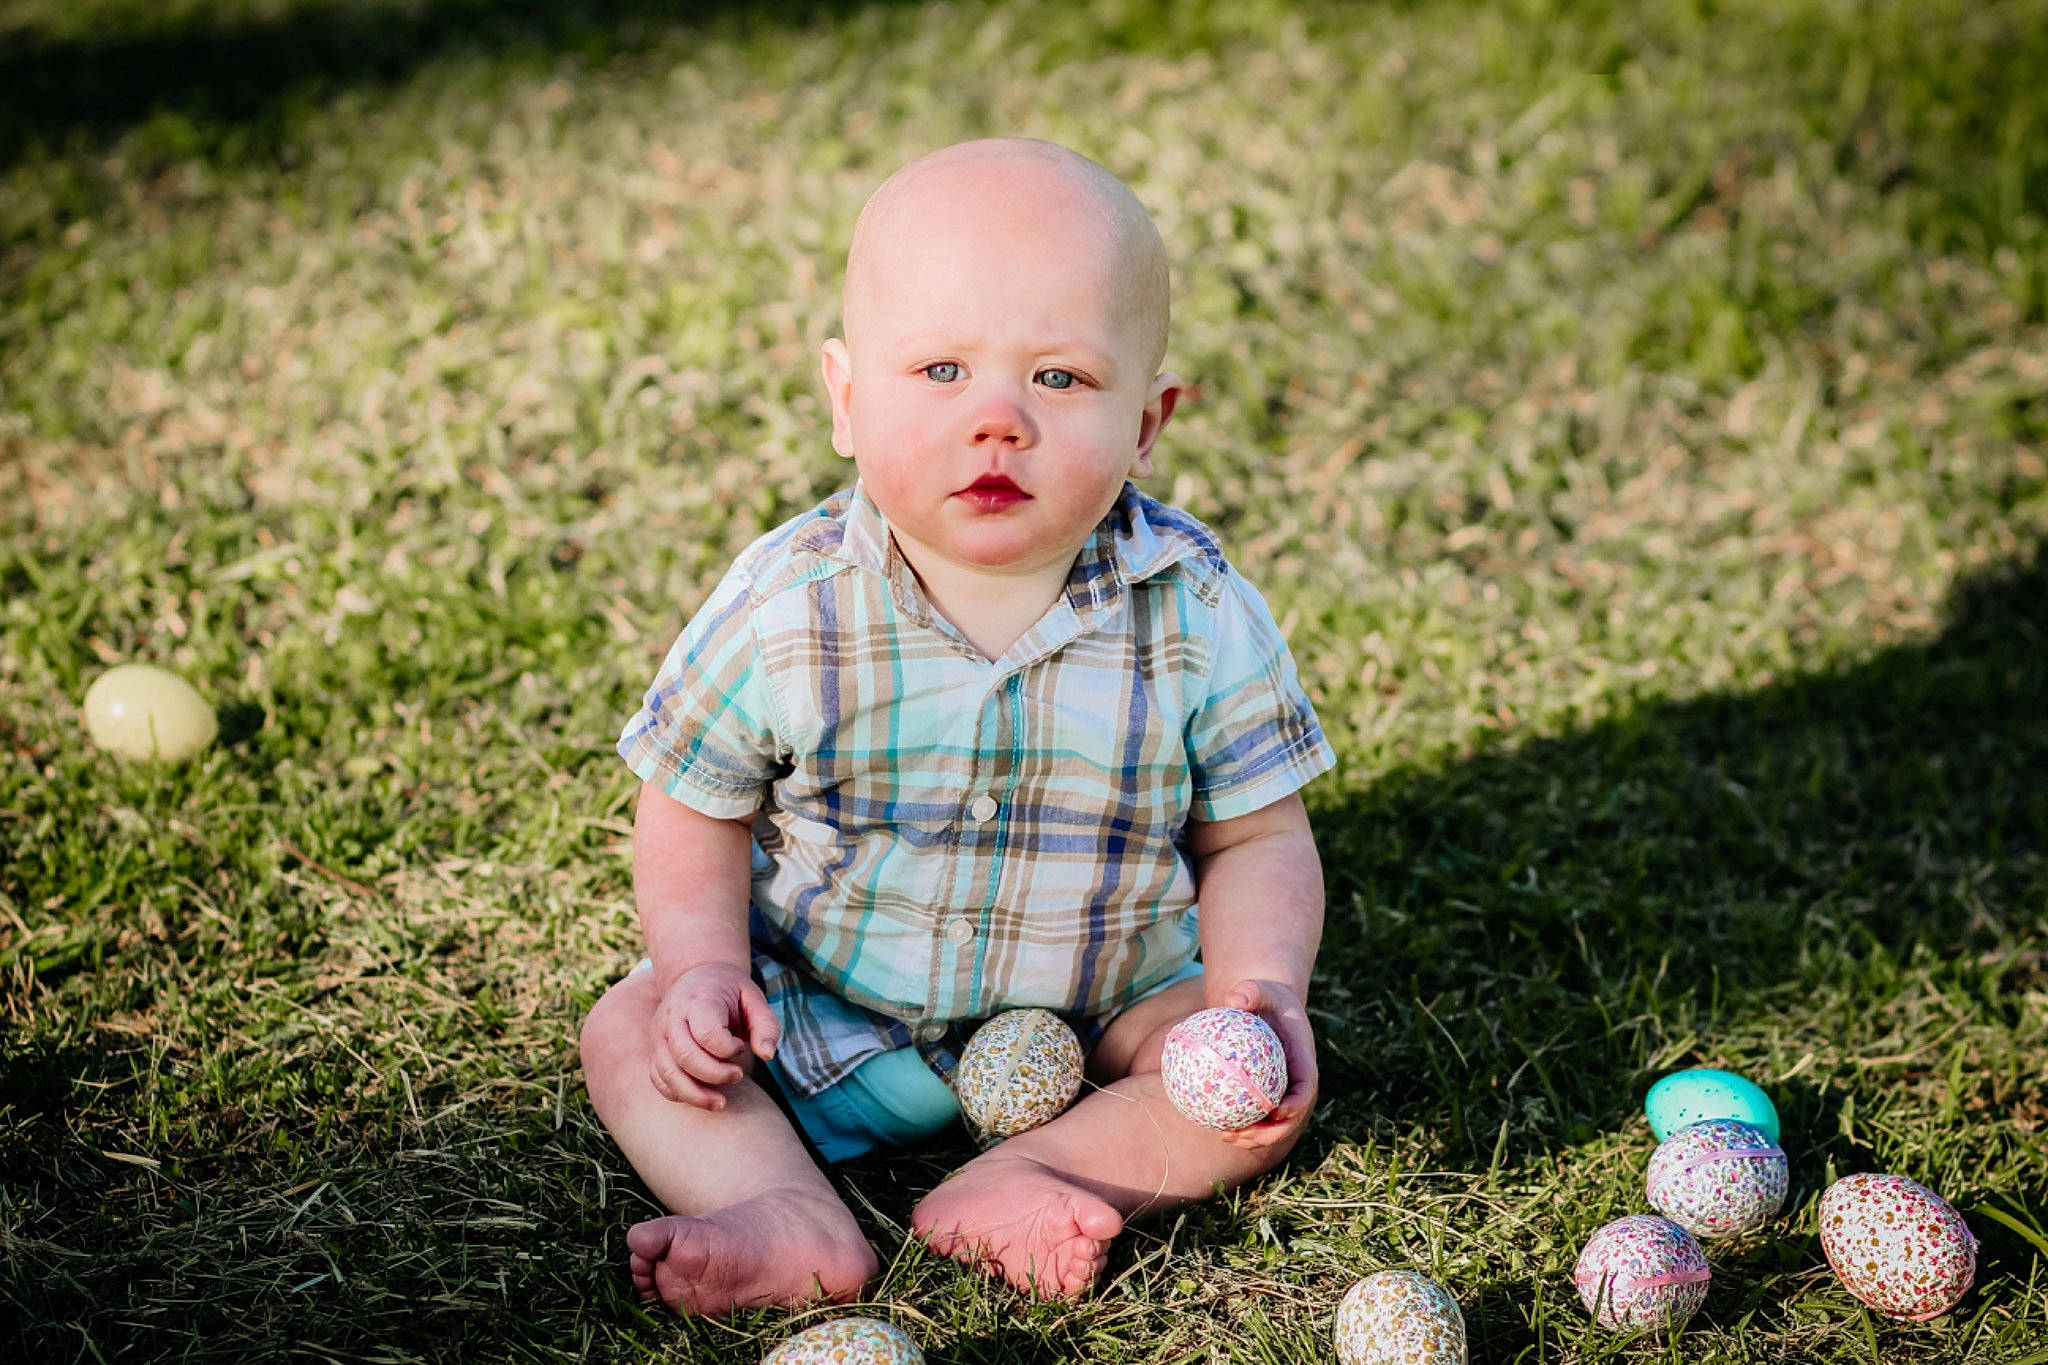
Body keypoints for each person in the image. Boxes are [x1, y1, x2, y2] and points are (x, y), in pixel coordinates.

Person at [579, 137, 1335, 1318]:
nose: (997, 420)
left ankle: (1040, 1172)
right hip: (828, 1001)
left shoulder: (1192, 608)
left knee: (1252, 1083)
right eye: (939, 371)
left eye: (1060, 380)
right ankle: (781, 1210)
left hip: (1107, 1009)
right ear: (844, 396)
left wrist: (1256, 986)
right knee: (632, 1029)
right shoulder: (791, 604)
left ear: (1146, 422)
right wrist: (702, 969)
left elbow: (1254, 839)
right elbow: (691, 798)